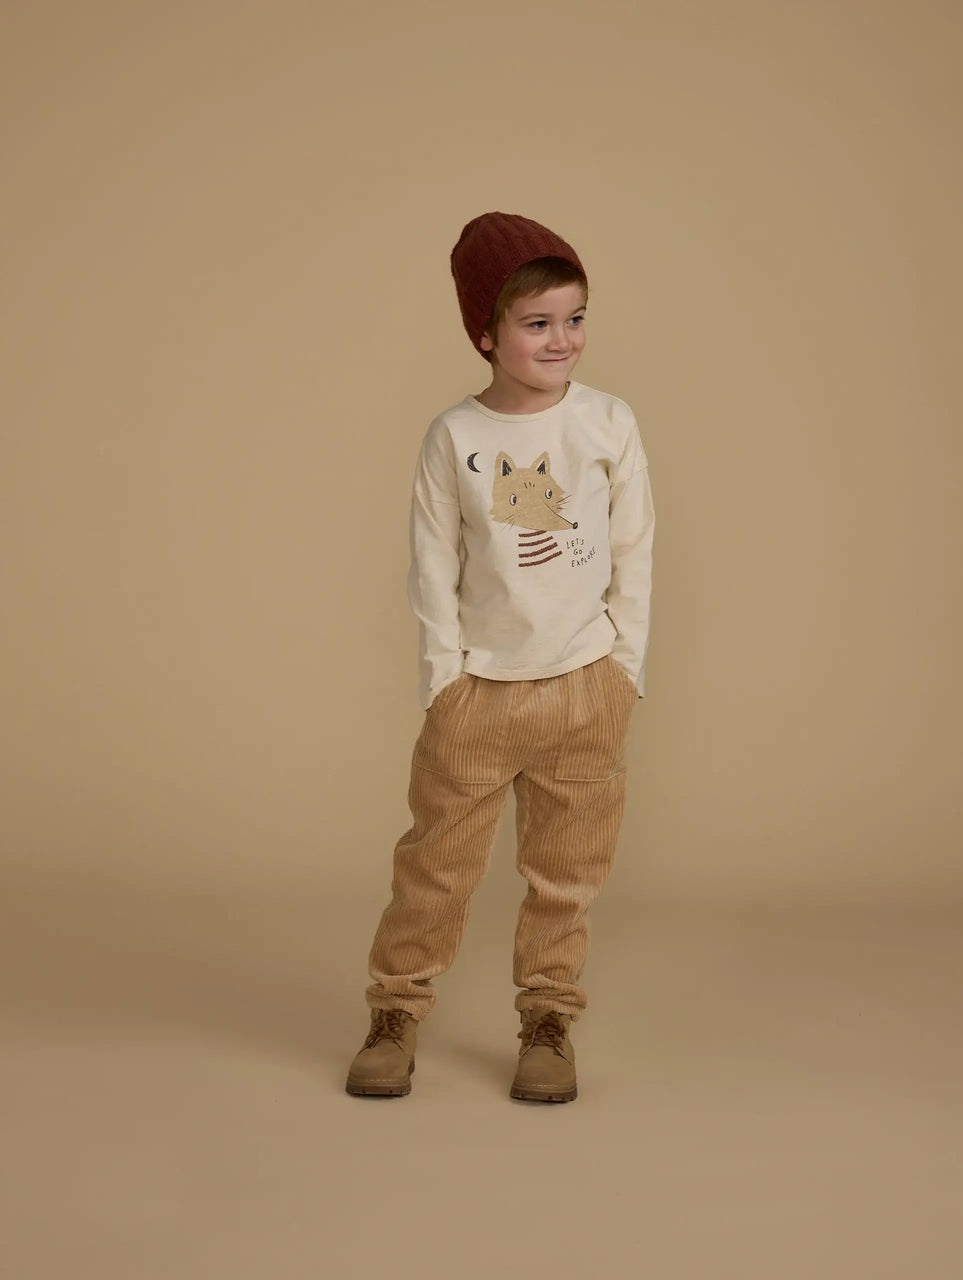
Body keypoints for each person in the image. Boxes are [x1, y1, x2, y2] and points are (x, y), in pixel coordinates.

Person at [345, 211, 655, 1103]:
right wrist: (443, 682)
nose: (563, 339)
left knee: (566, 878)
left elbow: (635, 549)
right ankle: (395, 1011)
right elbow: (432, 564)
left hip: (586, 688)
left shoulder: (608, 423)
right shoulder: (455, 437)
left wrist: (624, 670)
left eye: (576, 318)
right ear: (485, 333)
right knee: (434, 869)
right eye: (537, 322)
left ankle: (548, 1020)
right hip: (479, 692)